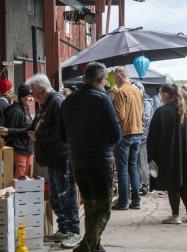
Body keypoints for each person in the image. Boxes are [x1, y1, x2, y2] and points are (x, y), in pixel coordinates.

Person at [59, 62, 122, 252]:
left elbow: (62, 136)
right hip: (100, 161)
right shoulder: (102, 99)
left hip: (78, 162)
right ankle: (86, 248)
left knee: (89, 206)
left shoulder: (68, 101)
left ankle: (95, 246)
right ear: (102, 79)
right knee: (103, 208)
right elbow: (116, 135)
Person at [27, 74, 81, 248]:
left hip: (61, 156)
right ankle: (64, 229)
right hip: (51, 157)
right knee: (55, 196)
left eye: (33, 91)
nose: (31, 94)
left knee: (66, 194)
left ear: (42, 90)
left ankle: (74, 231)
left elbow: (60, 131)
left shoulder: (56, 103)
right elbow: (35, 127)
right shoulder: (45, 104)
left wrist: (38, 136)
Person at [147, 84, 187, 224]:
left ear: (166, 95)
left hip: (168, 155)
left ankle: (175, 216)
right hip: (186, 155)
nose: (160, 97)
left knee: (173, 184)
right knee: (186, 183)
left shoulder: (161, 112)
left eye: (161, 94)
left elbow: (153, 138)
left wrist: (152, 157)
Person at [112, 66, 143, 210]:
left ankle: (123, 201)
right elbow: (141, 113)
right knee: (133, 167)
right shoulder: (137, 91)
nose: (114, 80)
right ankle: (136, 201)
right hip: (137, 133)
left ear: (119, 76)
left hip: (125, 134)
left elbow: (120, 116)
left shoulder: (120, 92)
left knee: (123, 169)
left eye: (114, 77)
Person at [0, 84, 34, 178]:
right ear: (22, 97)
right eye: (28, 96)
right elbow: (8, 134)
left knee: (27, 184)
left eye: (32, 96)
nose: (31, 99)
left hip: (27, 150)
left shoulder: (24, 109)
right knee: (19, 183)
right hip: (19, 152)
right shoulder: (15, 111)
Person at [133, 82, 153, 196]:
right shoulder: (140, 100)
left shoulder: (146, 102)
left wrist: (140, 134)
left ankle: (146, 185)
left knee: (143, 162)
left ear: (141, 90)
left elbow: (146, 121)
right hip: (138, 136)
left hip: (143, 137)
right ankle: (140, 184)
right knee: (137, 163)